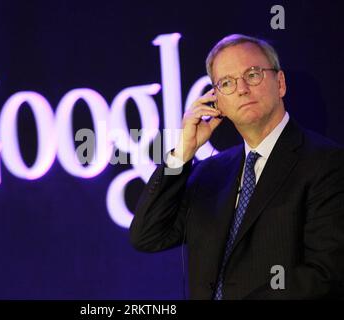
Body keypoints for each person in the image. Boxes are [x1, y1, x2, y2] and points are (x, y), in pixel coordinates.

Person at [129, 34, 344, 299]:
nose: (242, 89)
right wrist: (182, 153)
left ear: (280, 83)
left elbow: (326, 272)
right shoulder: (211, 173)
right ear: (216, 101)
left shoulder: (327, 163)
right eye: (227, 83)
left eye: (253, 75)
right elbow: (147, 234)